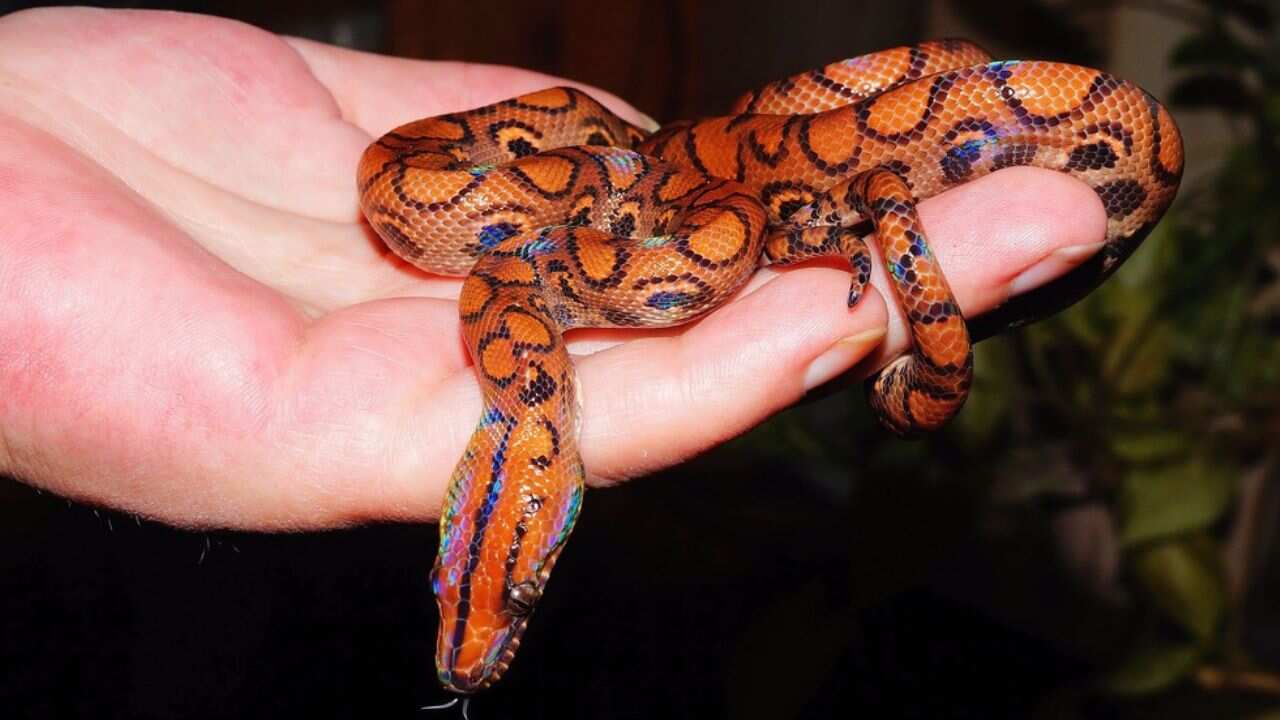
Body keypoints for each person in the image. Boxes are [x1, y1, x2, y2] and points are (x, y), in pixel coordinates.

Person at [0, 7, 1107, 529]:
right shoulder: (579, 179)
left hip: (710, 176)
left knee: (949, 90)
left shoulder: (625, 179)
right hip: (670, 182)